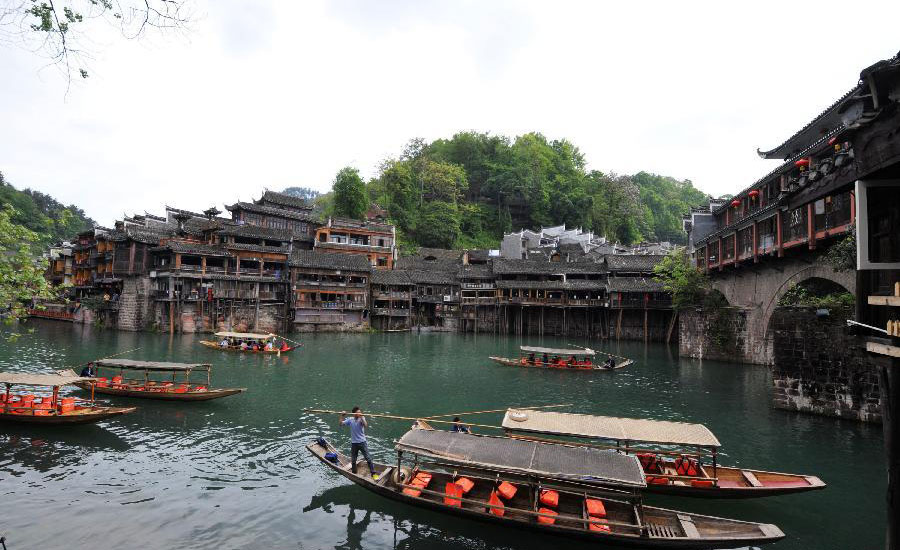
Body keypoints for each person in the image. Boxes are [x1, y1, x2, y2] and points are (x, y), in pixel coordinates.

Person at [340, 407, 377, 478]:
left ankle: (373, 474)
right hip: (354, 443)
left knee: (368, 458)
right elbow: (341, 424)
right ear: (354, 414)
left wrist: (362, 417)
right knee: (353, 460)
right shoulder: (350, 420)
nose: (360, 413)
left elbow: (365, 425)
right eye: (358, 412)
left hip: (362, 442)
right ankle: (354, 473)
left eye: (360, 412)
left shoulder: (361, 419)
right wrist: (342, 415)